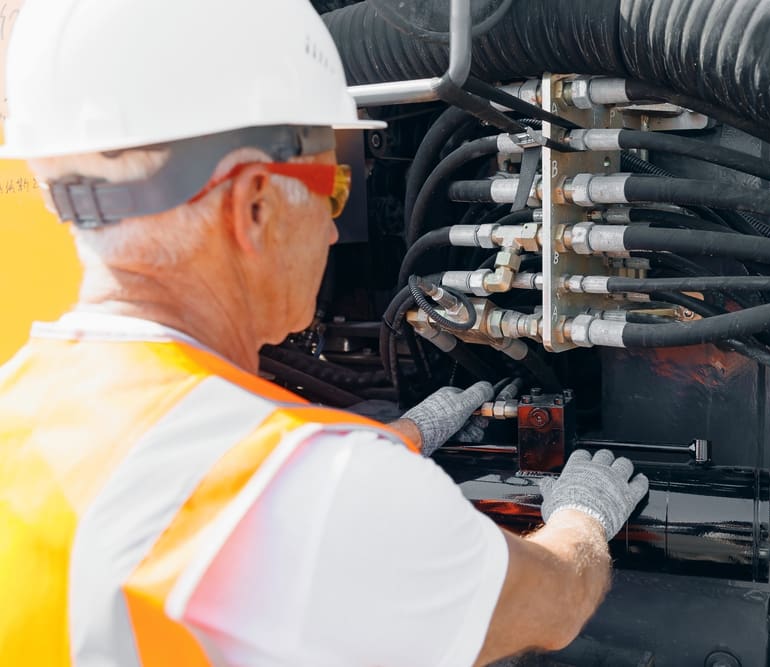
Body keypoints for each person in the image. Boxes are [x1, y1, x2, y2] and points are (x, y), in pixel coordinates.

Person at [0, 0, 649, 665]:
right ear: (253, 205)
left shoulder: (19, 408)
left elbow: (163, 476)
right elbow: (553, 602)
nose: (335, 228)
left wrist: (393, 440)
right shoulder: (319, 497)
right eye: (333, 187)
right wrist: (582, 515)